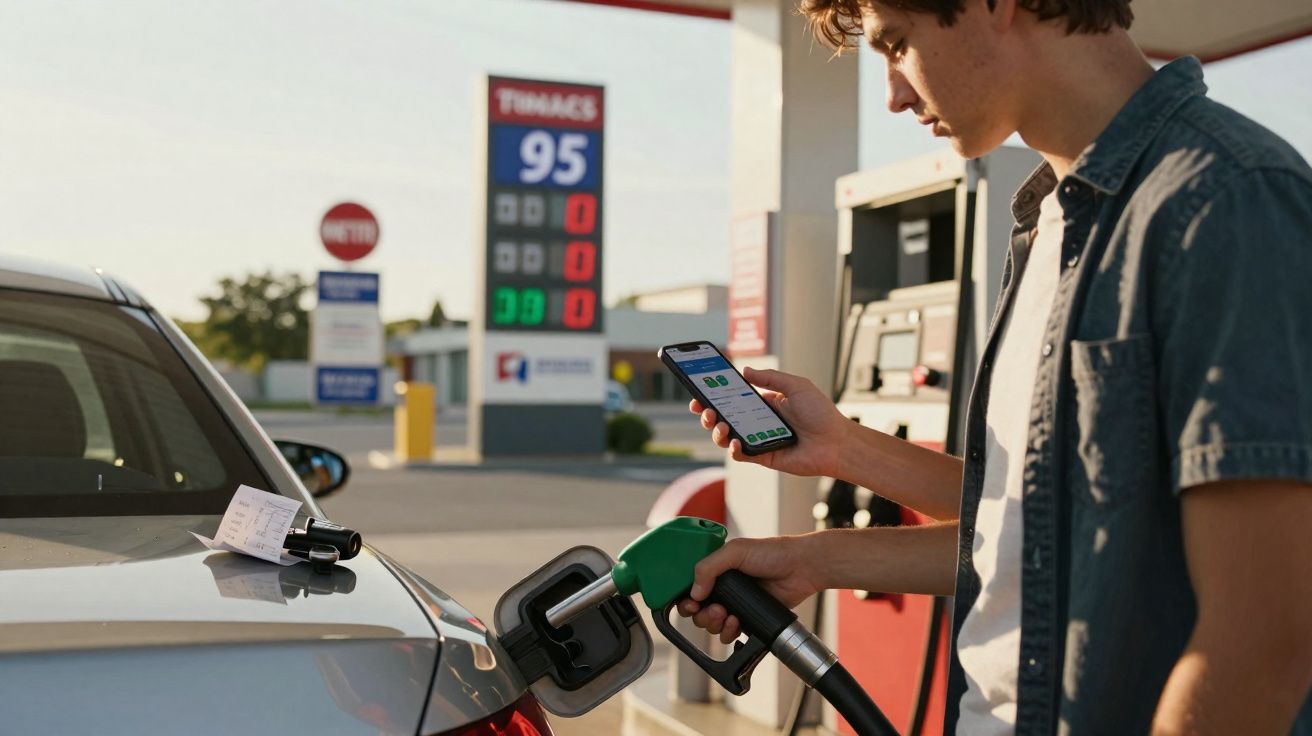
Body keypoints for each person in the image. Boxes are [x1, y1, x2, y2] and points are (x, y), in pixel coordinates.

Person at [677, 0, 1312, 733]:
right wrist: (828, 514)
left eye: (898, 44)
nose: (894, 93)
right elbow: (1028, 524)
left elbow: (1264, 640)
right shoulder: (1046, 225)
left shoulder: (1228, 203)